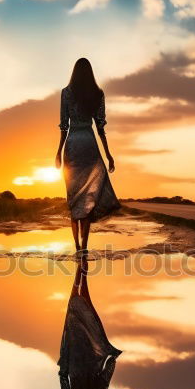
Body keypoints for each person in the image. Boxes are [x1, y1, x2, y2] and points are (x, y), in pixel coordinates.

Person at [54, 58, 121, 253]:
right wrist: (108, 154)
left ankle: (76, 246)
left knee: (74, 198)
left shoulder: (66, 93)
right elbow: (100, 127)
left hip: (73, 145)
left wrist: (58, 152)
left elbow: (64, 126)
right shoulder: (97, 94)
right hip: (90, 144)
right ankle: (84, 246)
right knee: (88, 198)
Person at [57, 255, 122, 389]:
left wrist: (111, 362)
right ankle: (79, 270)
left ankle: (82, 271)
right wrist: (65, 356)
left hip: (92, 359)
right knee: (72, 311)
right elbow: (62, 378)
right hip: (75, 358)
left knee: (87, 311)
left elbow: (104, 382)